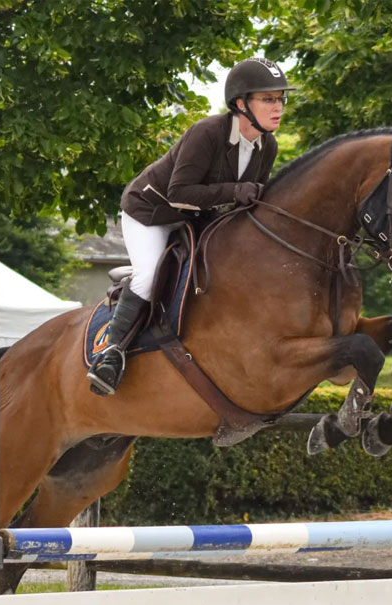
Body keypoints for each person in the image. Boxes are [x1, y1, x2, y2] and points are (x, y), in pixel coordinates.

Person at [87, 56, 293, 396]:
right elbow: (179, 193)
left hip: (197, 218)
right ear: (242, 104)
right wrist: (234, 191)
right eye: (268, 99)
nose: (278, 107)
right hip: (152, 212)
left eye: (281, 99)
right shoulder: (207, 132)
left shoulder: (267, 145)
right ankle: (111, 353)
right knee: (149, 275)